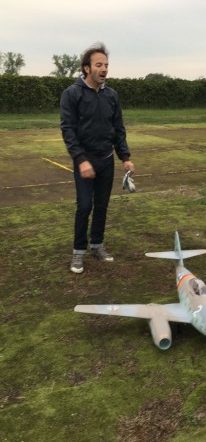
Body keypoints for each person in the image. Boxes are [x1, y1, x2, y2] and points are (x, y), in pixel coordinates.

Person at [60, 42, 135, 274]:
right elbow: (68, 130)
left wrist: (124, 156)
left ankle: (97, 245)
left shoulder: (112, 95)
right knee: (84, 206)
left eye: (106, 65)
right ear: (86, 68)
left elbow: (118, 128)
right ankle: (78, 252)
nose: (104, 69)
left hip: (106, 159)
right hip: (85, 160)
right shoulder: (72, 94)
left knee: (102, 205)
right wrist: (80, 159)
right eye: (99, 65)